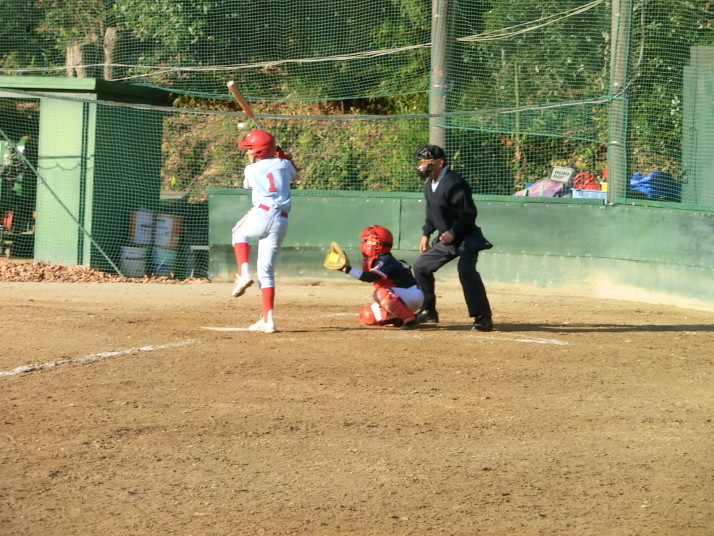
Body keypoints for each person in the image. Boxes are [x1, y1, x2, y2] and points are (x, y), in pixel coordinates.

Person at [412, 144, 494, 331]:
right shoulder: (429, 184)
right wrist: (426, 233)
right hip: (446, 241)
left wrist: (453, 232)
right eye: (421, 162)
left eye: (426, 162)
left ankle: (483, 317)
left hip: (466, 239)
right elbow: (432, 213)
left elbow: (469, 213)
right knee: (421, 267)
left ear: (440, 162)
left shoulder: (454, 182)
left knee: (466, 271)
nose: (422, 166)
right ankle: (428, 311)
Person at [231, 129, 298, 333]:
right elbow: (295, 174)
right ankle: (268, 321)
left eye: (250, 149)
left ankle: (243, 274)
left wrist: (273, 156)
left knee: (238, 232)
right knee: (266, 271)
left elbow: (248, 186)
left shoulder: (250, 169)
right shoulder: (284, 164)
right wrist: (283, 155)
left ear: (258, 152)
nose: (248, 152)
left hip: (263, 212)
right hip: (281, 220)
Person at [336, 225, 423, 330]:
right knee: (366, 316)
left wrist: (346, 269)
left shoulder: (385, 259)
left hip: (412, 294)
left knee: (380, 293)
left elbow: (369, 277)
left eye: (369, 240)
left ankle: (410, 319)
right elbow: (367, 275)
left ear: (379, 243)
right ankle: (398, 318)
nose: (365, 243)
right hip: (400, 297)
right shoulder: (377, 259)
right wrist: (348, 267)